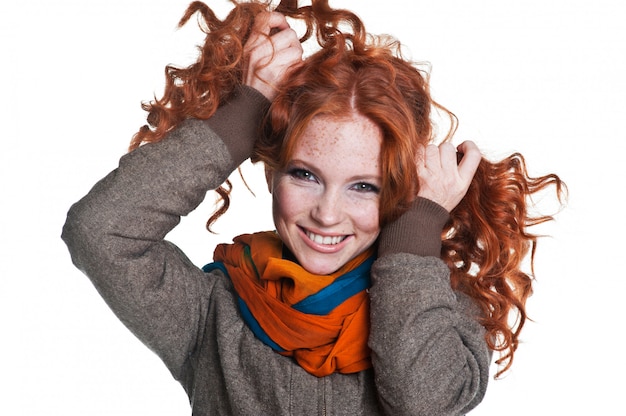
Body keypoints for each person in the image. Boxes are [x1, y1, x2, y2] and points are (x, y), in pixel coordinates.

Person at [62, 0, 565, 414]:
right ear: (271, 172)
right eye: (305, 175)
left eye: (363, 187)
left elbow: (423, 403)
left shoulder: (441, 314)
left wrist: (417, 231)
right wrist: (250, 106)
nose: (327, 214)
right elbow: (101, 231)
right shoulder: (210, 313)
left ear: (400, 193)